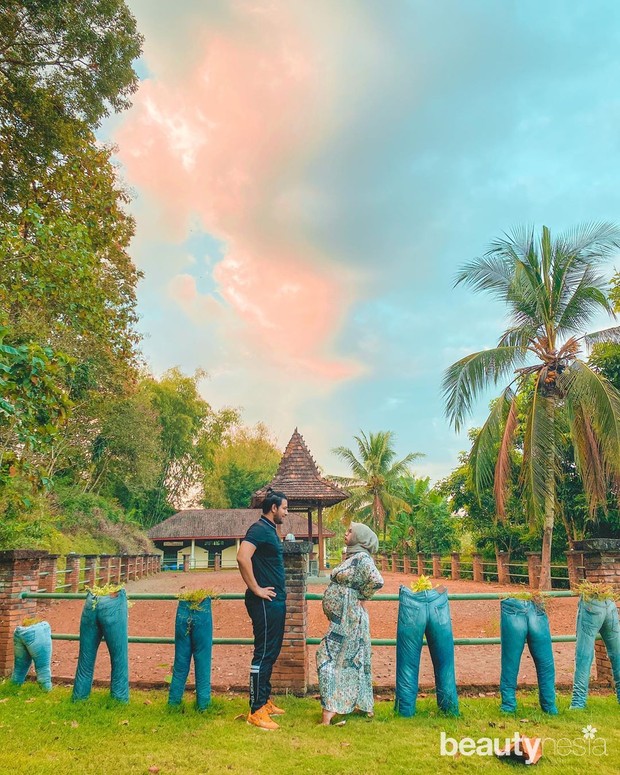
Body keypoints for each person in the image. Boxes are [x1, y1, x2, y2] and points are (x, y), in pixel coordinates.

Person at [317, 521, 384, 725]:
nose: (346, 534)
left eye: (350, 531)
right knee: (355, 657)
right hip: (346, 618)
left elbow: (377, 580)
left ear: (361, 537)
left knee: (326, 656)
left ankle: (330, 711)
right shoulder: (353, 557)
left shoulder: (362, 558)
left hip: (349, 619)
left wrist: (362, 597)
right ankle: (361, 704)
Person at [237, 488, 288, 730]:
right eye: (284, 508)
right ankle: (256, 710)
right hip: (264, 603)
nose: (286, 513)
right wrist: (256, 588)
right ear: (273, 508)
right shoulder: (258, 528)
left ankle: (264, 700)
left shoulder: (269, 531)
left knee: (272, 651)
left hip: (274, 602)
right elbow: (242, 557)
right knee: (264, 653)